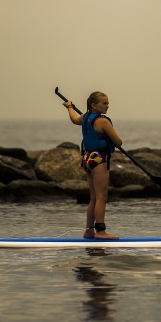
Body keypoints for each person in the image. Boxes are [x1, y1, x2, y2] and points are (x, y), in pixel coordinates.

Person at [63, 91, 123, 239]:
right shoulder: (103, 122)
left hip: (87, 158)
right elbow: (118, 142)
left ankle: (89, 230)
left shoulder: (85, 117)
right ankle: (101, 232)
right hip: (99, 159)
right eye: (104, 103)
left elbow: (74, 119)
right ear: (94, 105)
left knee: (94, 198)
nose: (107, 106)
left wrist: (69, 107)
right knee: (102, 197)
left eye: (108, 103)